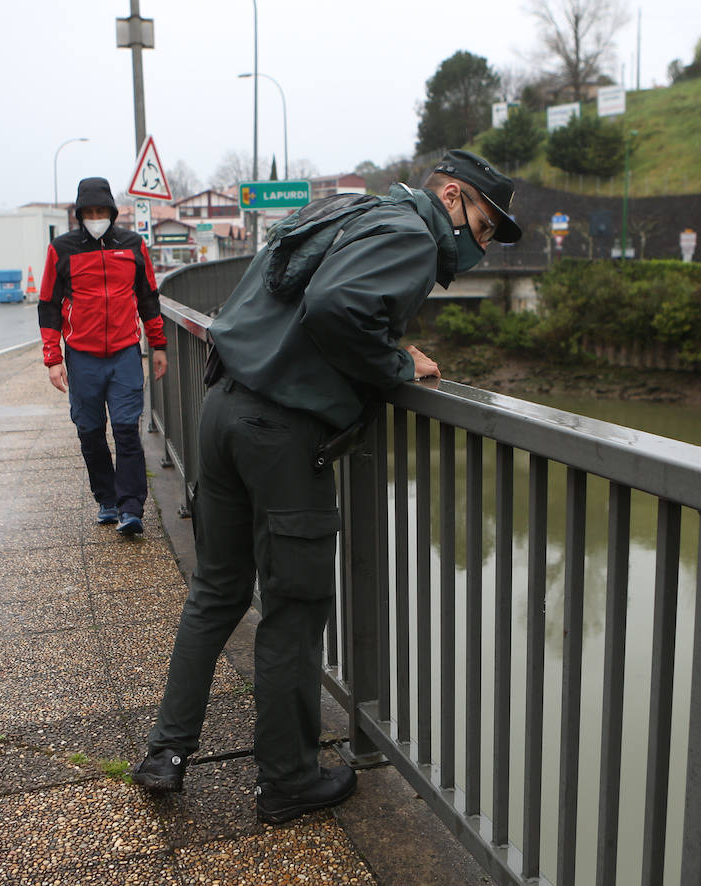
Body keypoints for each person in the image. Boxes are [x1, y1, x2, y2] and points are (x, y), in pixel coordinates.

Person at [133, 150, 521, 823]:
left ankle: (166, 752)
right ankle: (286, 780)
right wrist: (397, 360)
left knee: (218, 590)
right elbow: (337, 306)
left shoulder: (346, 209)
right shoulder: (411, 234)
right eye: (483, 227)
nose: (480, 246)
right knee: (294, 609)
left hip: (221, 406)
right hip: (280, 432)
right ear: (452, 197)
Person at [38, 176, 168, 536]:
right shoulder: (61, 250)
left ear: (112, 211)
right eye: (89, 212)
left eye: (102, 211)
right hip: (82, 357)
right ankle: (107, 499)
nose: (96, 217)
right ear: (80, 214)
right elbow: (48, 305)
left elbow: (148, 297)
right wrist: (53, 359)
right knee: (90, 432)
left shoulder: (133, 245)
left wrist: (158, 345)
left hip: (125, 352)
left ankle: (131, 509)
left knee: (127, 431)